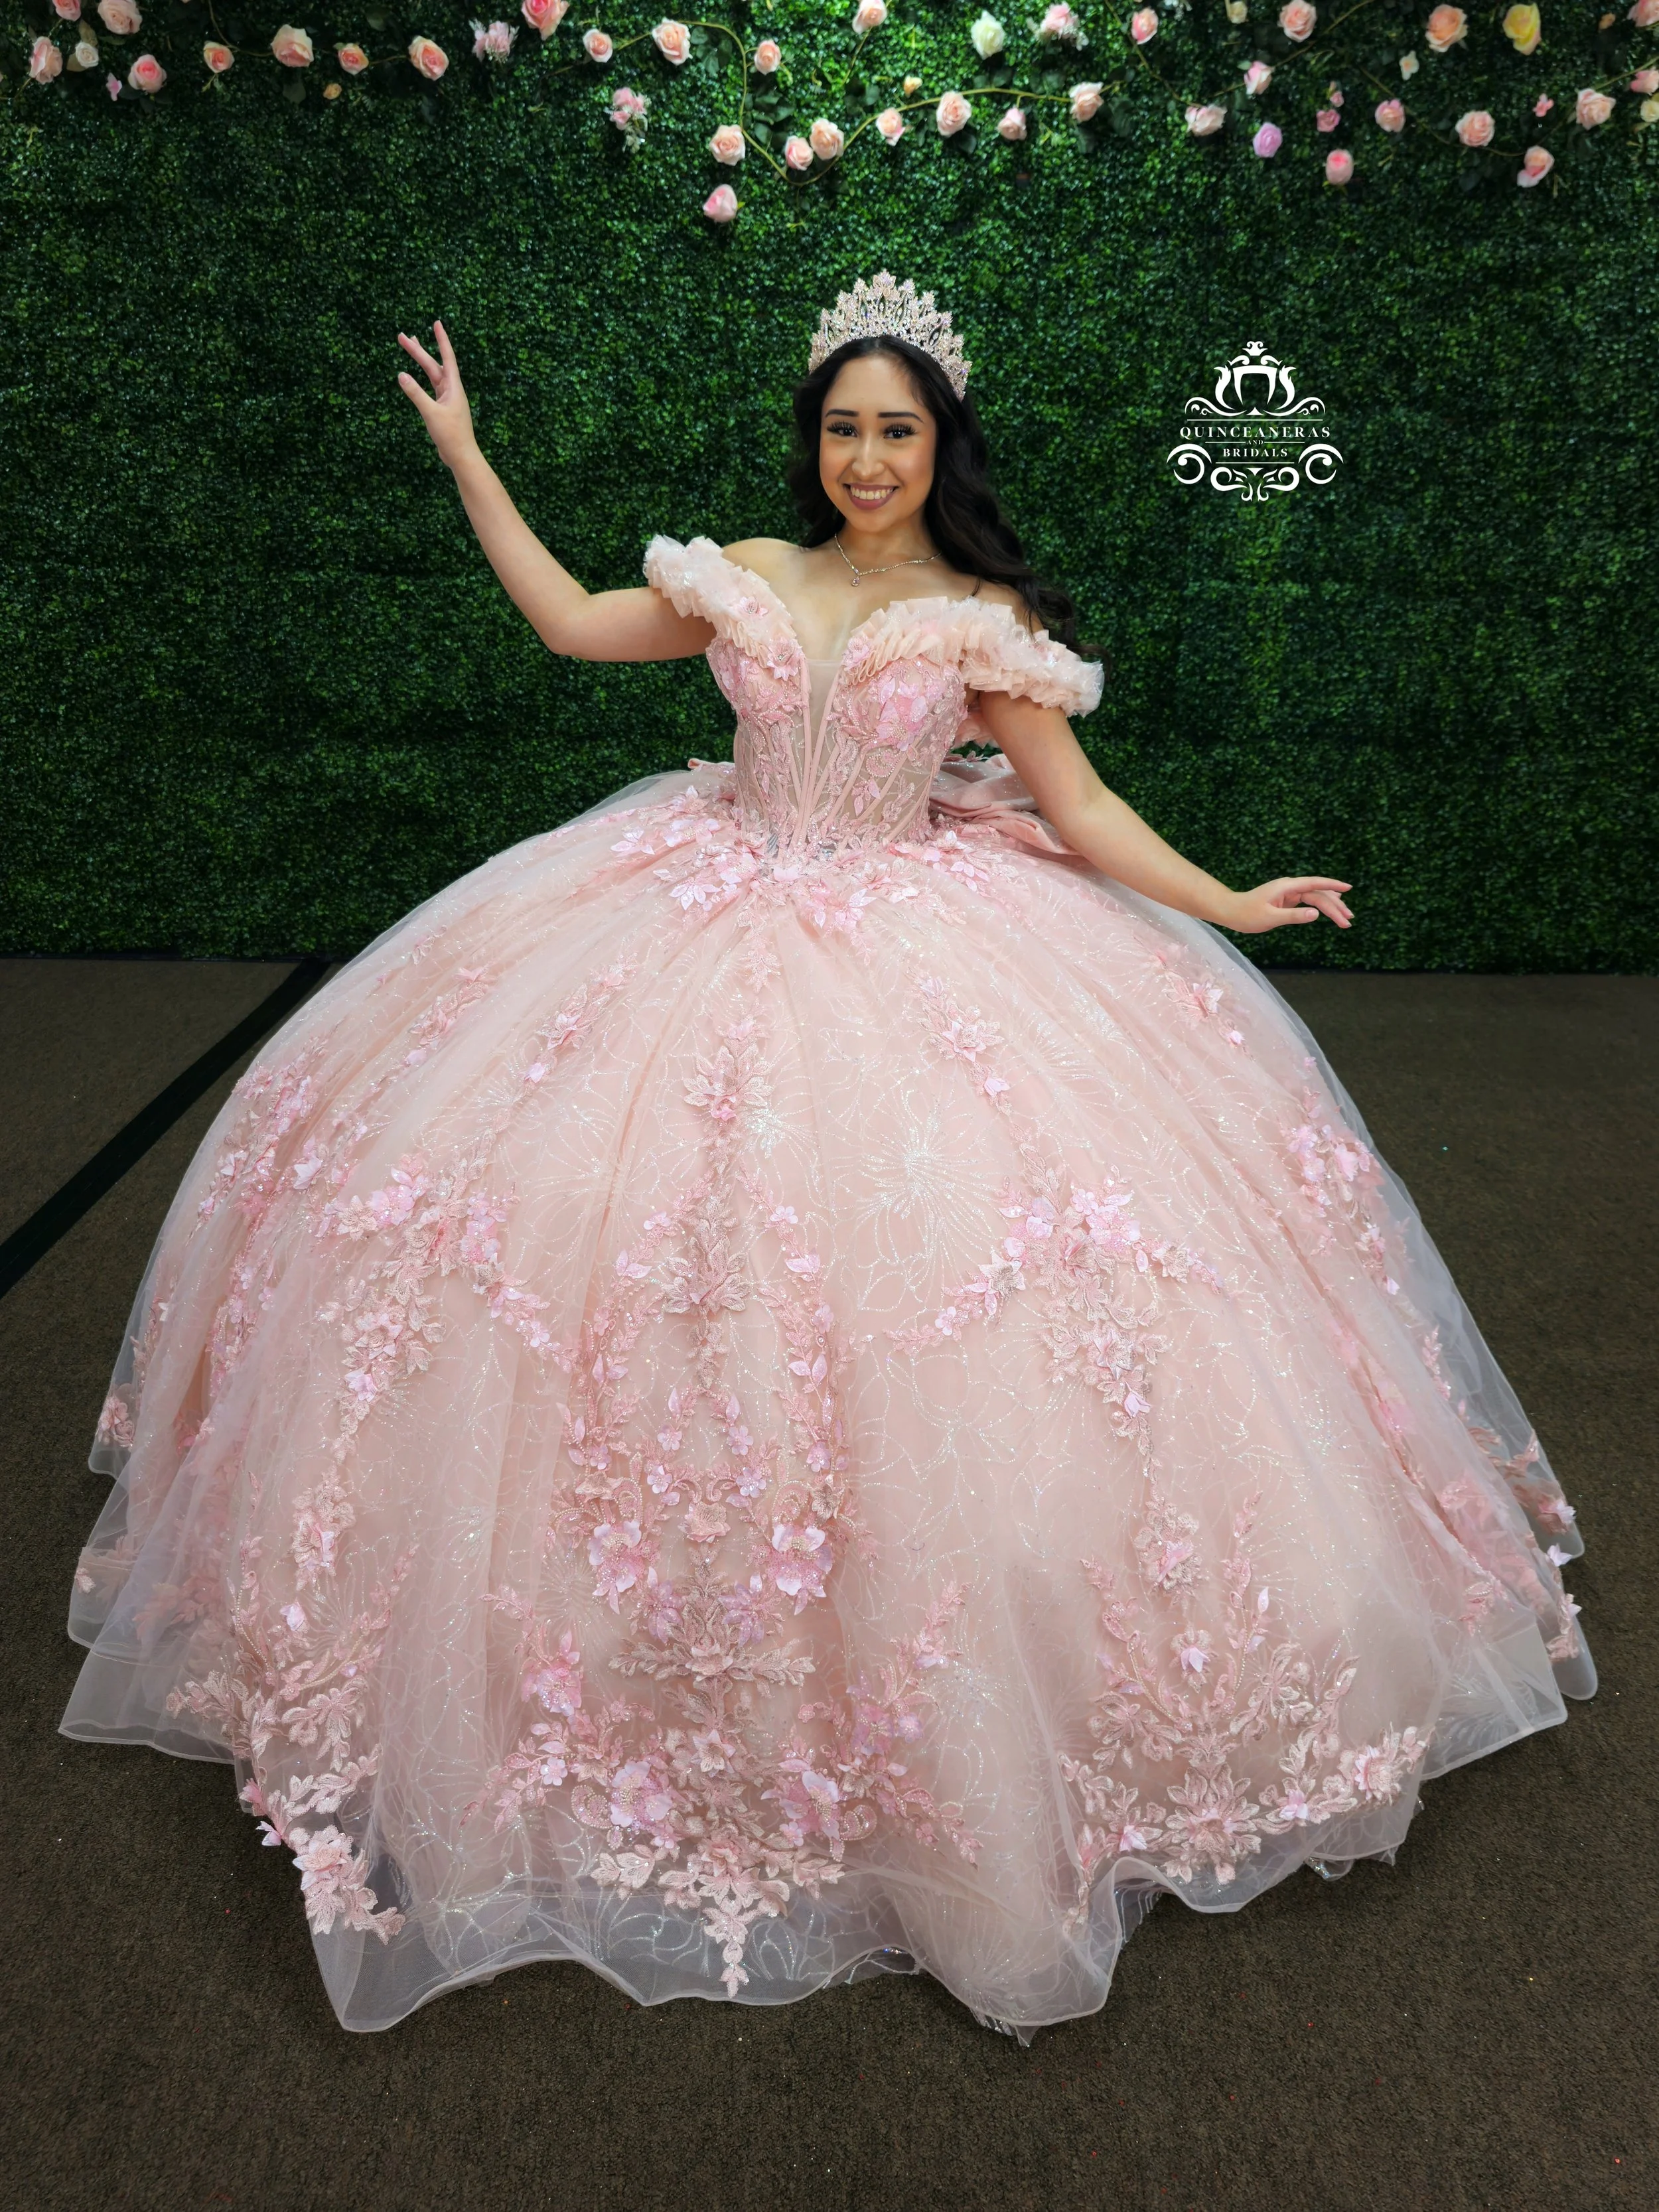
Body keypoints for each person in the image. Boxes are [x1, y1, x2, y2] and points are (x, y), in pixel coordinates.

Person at [62, 273, 1592, 2038]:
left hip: (913, 939)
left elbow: (1078, 815)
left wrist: (1230, 895)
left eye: (898, 429)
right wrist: (469, 455)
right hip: (689, 910)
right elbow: (569, 622)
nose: (867, 455)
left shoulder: (980, 619)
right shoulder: (745, 578)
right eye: (844, 428)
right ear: (818, 441)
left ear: (941, 445)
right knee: (591, 1238)